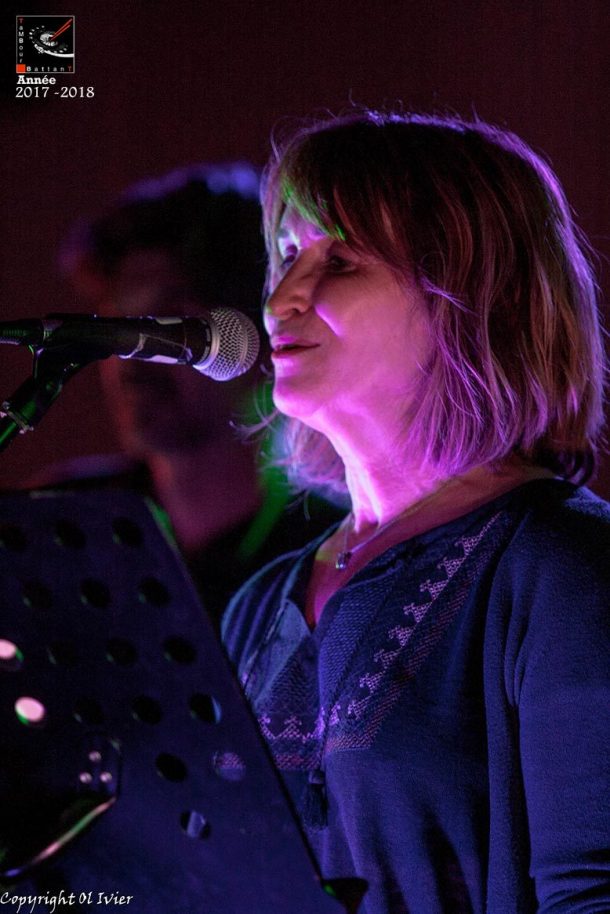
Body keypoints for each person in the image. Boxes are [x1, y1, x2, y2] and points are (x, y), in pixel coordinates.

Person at [222, 111, 610, 913]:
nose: (283, 300)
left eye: (341, 261)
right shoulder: (257, 606)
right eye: (287, 255)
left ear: (469, 299)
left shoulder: (566, 569)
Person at [46, 163, 341, 623]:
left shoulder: (331, 548)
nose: (132, 356)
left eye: (171, 322)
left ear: (256, 336)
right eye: (117, 323)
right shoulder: (62, 518)